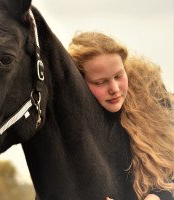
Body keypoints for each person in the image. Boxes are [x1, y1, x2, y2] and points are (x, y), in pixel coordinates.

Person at [68, 32, 174, 200]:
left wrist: (156, 197)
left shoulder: (155, 103)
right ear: (79, 82)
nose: (115, 89)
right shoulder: (70, 127)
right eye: (100, 82)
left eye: (119, 76)